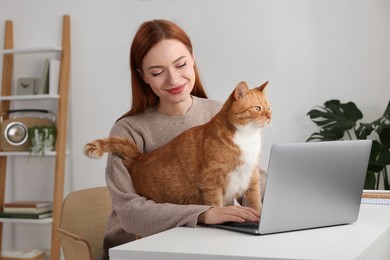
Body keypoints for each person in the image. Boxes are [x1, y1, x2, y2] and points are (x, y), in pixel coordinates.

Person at [101, 19, 260, 259]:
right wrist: (204, 213)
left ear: (193, 58)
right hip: (140, 249)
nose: (173, 80)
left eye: (181, 64)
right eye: (157, 72)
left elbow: (250, 177)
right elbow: (129, 213)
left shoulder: (222, 113)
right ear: (142, 76)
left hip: (211, 246)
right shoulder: (129, 130)